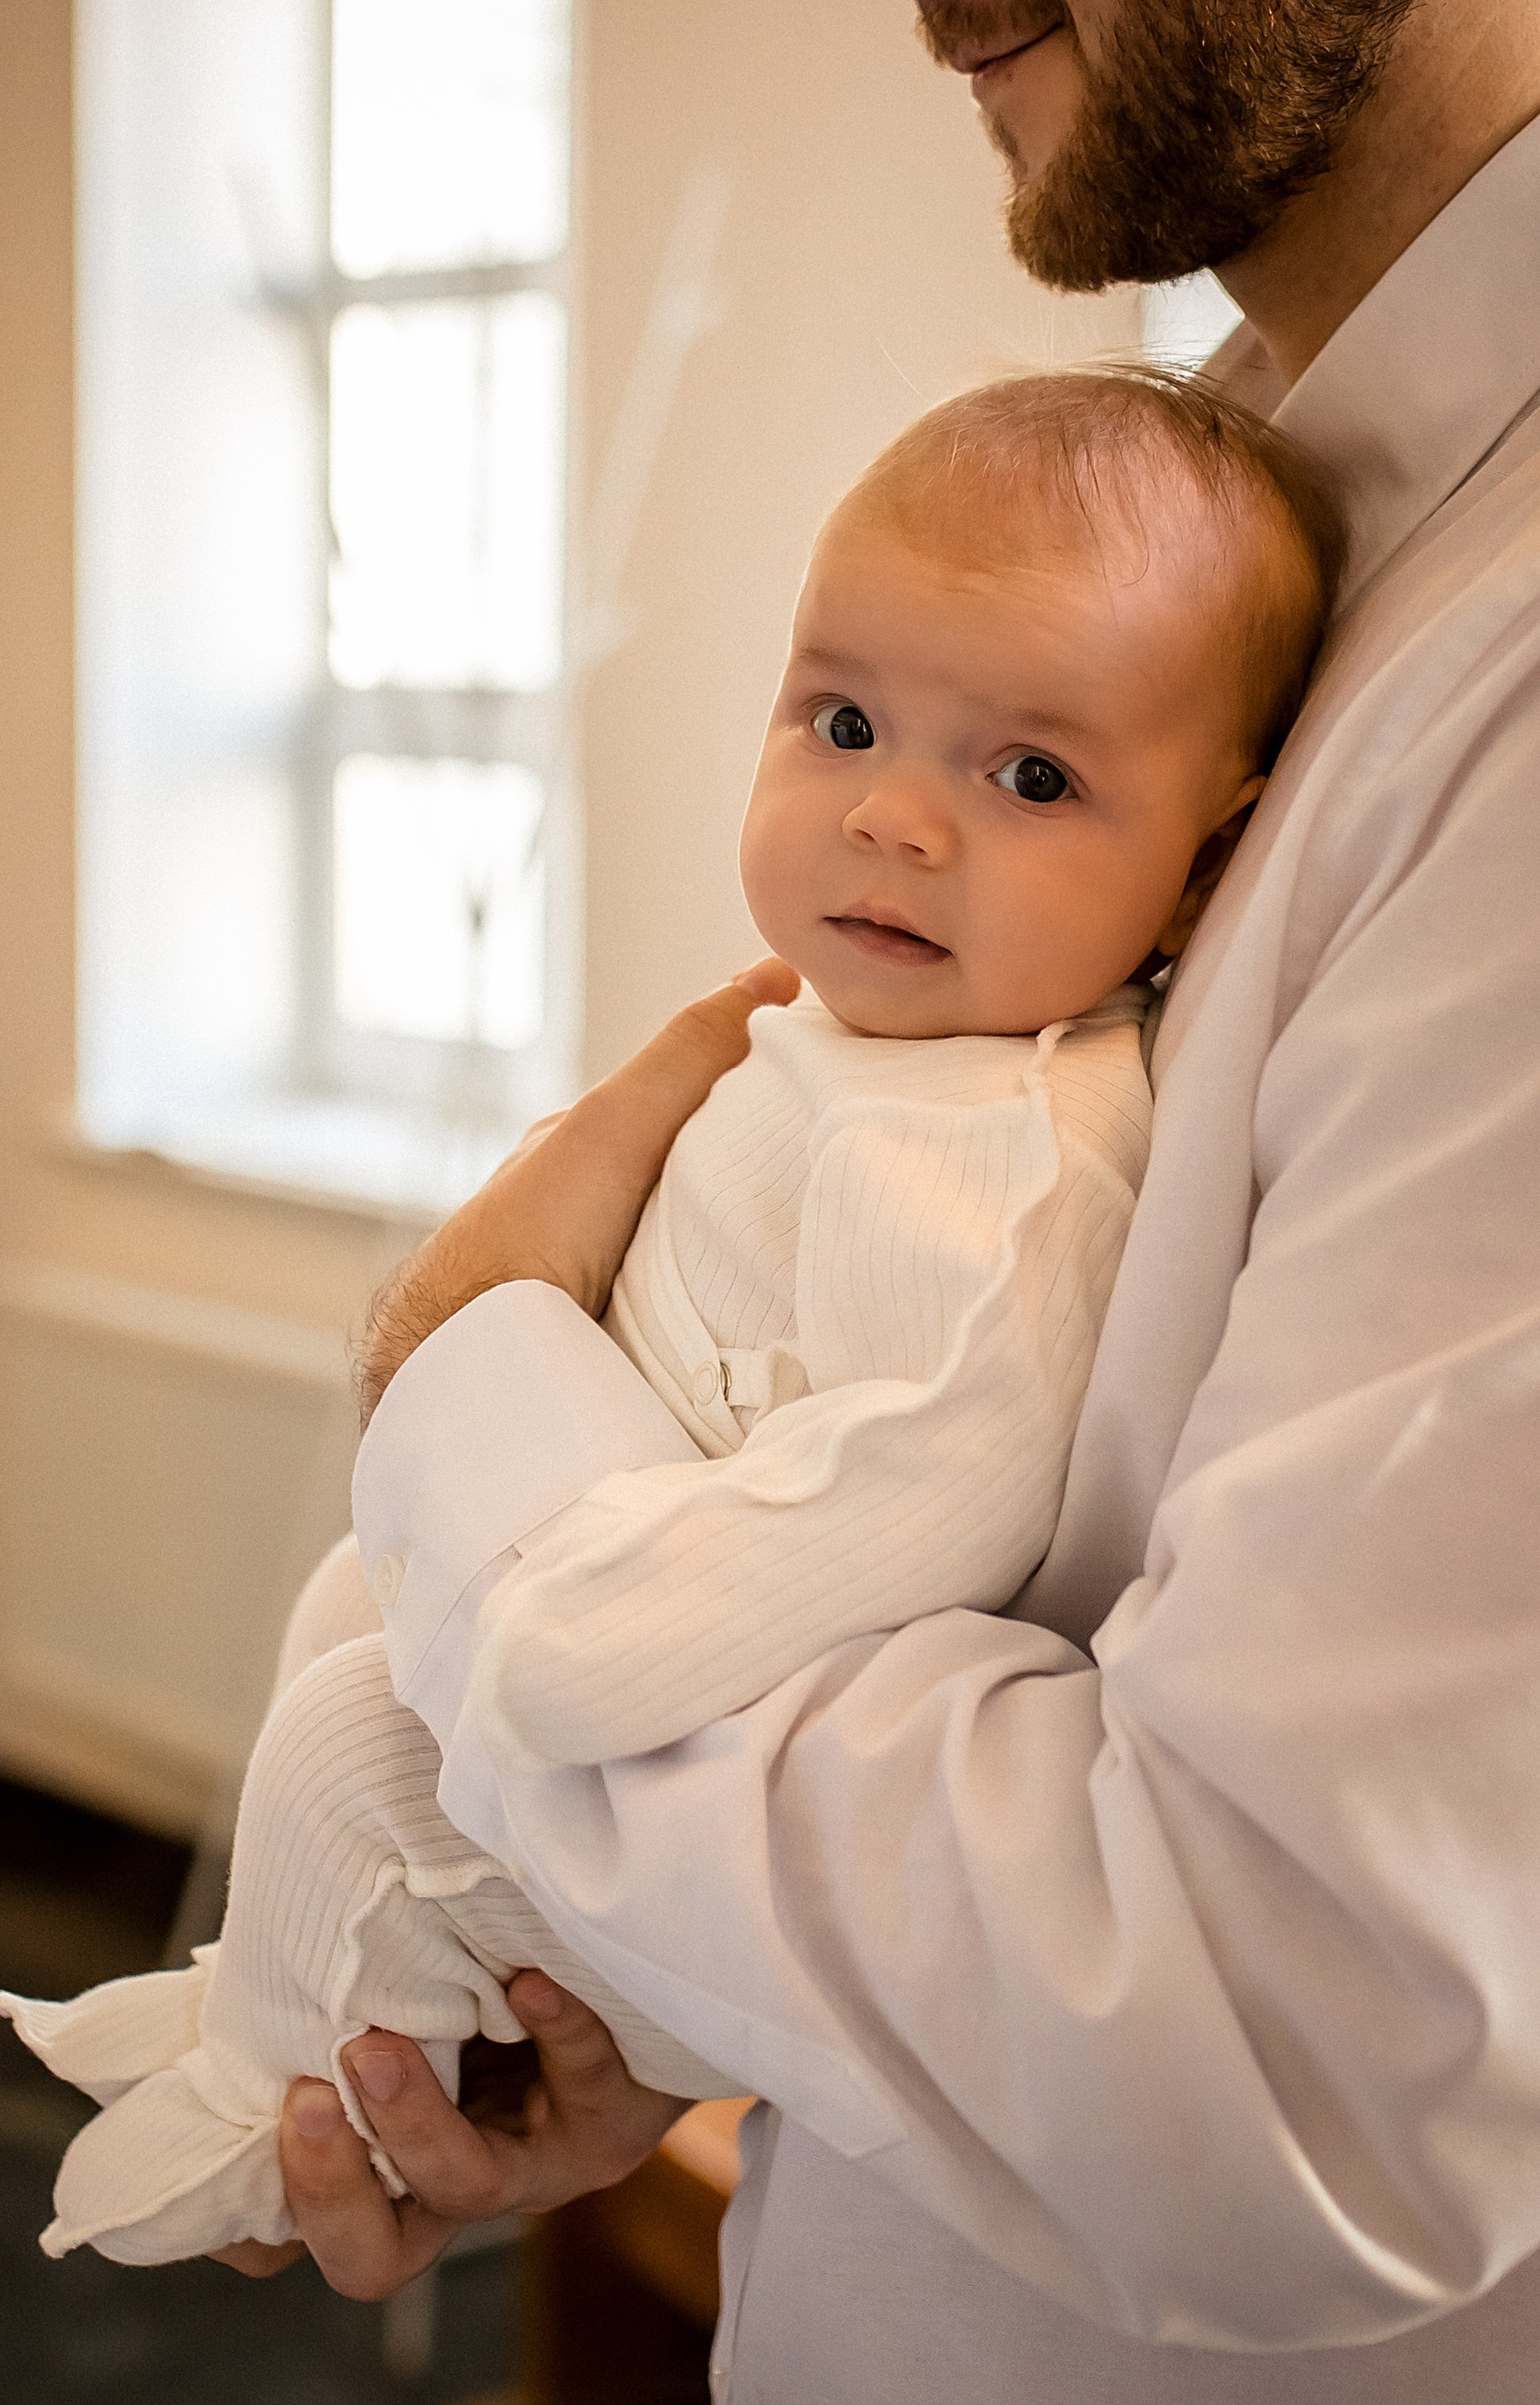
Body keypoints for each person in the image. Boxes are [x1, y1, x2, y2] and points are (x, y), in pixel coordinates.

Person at [225, 4, 1540, 2399]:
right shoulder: (1246, 490)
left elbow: (1280, 2058)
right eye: (838, 721)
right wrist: (669, 1983)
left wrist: (474, 1397)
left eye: (1028, 775)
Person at [0, 370, 1341, 2268]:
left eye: (1030, 777)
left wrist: (559, 1641)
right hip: (595, 1603)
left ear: (1205, 863)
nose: (892, 818)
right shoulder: (857, 1040)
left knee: (342, 1756)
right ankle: (287, 2003)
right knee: (337, 1619)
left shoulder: (996, 1152)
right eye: (844, 722)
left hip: (660, 1696)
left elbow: (928, 1482)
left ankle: (266, 2114)